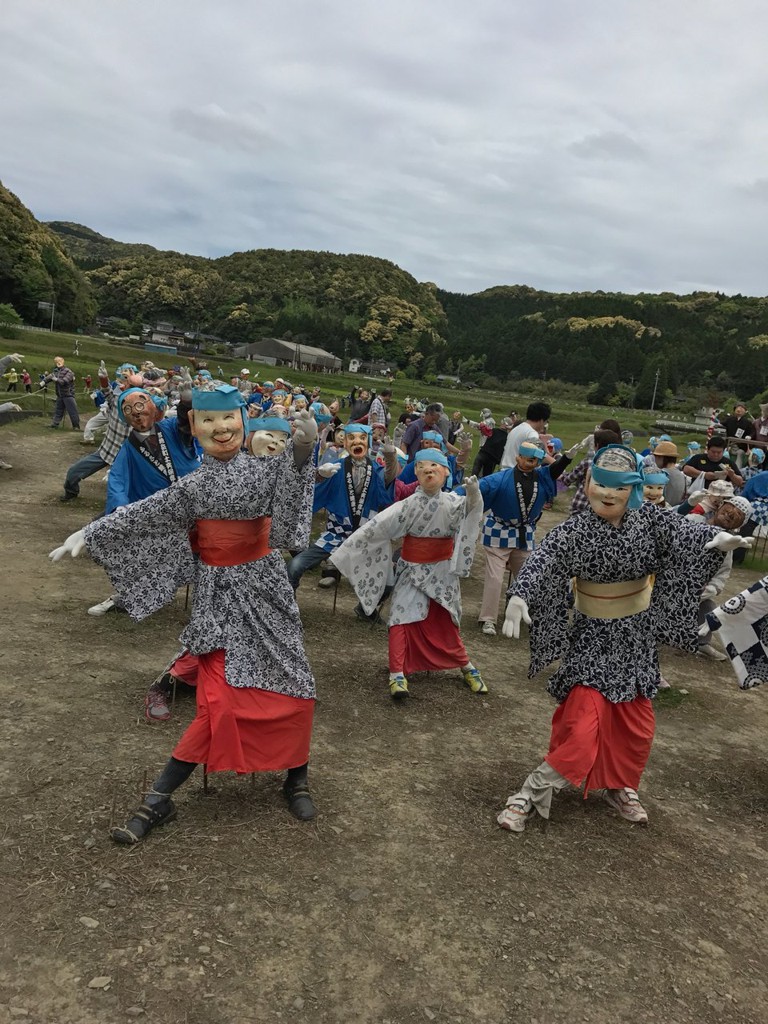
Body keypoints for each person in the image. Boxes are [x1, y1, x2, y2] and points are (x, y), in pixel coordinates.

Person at [50, 386, 321, 841]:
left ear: (243, 419)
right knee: (217, 702)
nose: (221, 428)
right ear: (193, 427)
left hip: (266, 591)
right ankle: (159, 798)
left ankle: (297, 774)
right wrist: (91, 532)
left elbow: (291, 498)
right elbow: (143, 514)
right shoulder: (191, 486)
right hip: (217, 601)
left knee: (293, 682)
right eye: (208, 420)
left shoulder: (264, 470)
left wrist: (302, 450)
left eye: (229, 418)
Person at [496, 443, 752, 834]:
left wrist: (715, 542)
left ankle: (619, 784)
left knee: (635, 726)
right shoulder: (577, 529)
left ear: (632, 487)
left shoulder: (651, 520)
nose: (608, 493)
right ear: (590, 482)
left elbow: (686, 534)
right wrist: (520, 593)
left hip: (636, 639)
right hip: (592, 641)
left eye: (618, 486)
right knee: (583, 726)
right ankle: (530, 793)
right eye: (601, 483)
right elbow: (547, 557)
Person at [330, 450, 487, 699]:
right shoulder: (406, 506)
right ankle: (397, 674)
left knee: (445, 620)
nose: (428, 470)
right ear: (415, 472)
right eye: (422, 466)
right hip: (411, 570)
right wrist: (346, 551)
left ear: (446, 471)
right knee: (399, 620)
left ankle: (466, 665)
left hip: (441, 572)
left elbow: (471, 513)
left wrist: (474, 495)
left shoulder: (453, 503)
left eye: (435, 465)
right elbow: (376, 527)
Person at [466, 438, 581, 636]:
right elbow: (480, 489)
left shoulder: (542, 476)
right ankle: (488, 619)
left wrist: (567, 458)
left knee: (528, 576)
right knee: (494, 577)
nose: (532, 464)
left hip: (524, 533)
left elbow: (555, 471)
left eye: (535, 461)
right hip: (499, 531)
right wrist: (466, 492)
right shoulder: (500, 478)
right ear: (518, 457)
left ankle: (525, 611)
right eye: (528, 460)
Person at [286, 424, 397, 590]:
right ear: (344, 442)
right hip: (335, 534)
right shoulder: (335, 468)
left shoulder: (375, 469)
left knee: (387, 583)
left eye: (361, 438)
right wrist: (320, 476)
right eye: (351, 438)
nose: (356, 442)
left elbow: (388, 482)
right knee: (295, 566)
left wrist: (391, 458)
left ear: (367, 442)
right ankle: (287, 604)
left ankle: (366, 611)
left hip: (365, 536)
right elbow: (312, 493)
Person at [60, 362, 131, 501]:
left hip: (128, 456)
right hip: (108, 449)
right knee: (73, 472)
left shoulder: (141, 408)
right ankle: (71, 492)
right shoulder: (115, 400)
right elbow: (106, 391)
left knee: (128, 486)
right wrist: (103, 378)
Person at [500, 402, 552, 469]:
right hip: (516, 475)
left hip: (504, 472)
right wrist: (556, 463)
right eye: (545, 422)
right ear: (542, 420)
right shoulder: (531, 434)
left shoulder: (516, 429)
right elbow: (539, 456)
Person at [46, 357, 80, 429]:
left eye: (58, 361)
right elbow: (48, 378)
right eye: (55, 362)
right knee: (58, 411)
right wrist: (41, 383)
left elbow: (64, 382)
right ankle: (55, 425)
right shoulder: (56, 371)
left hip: (68, 395)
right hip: (60, 395)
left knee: (72, 411)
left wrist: (56, 379)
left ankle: (76, 426)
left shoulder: (69, 372)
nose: (57, 363)